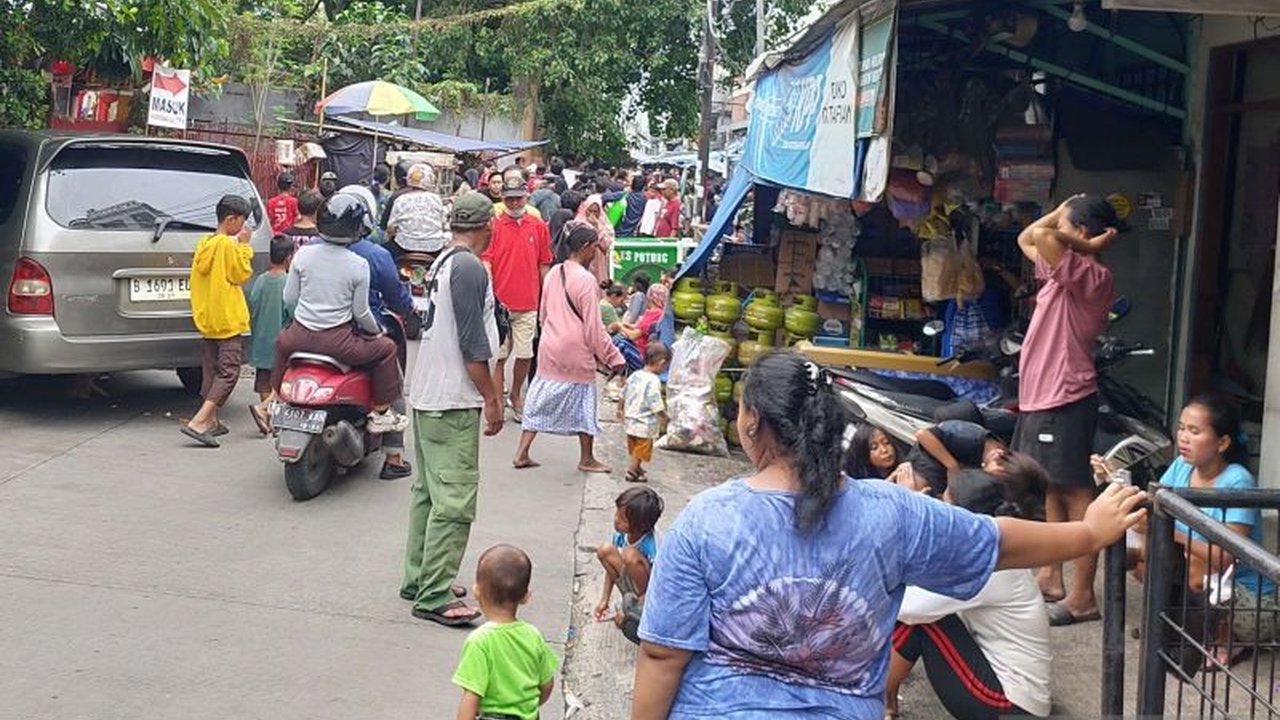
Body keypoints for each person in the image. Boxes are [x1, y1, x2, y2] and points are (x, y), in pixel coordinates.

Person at [630, 351, 1147, 720]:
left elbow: (662, 654)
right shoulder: (890, 512)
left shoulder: (706, 519)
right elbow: (998, 542)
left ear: (752, 422)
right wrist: (1087, 533)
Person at [1013, 193, 1119, 626]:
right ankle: (1051, 574)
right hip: (1043, 395)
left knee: (1076, 493)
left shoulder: (1091, 274)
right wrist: (1066, 209)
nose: (1058, 227)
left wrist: (1088, 245)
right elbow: (1028, 237)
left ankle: (1081, 596)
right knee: (1050, 488)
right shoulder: (1061, 272)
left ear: (1082, 235)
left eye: (1068, 223)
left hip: (1066, 397)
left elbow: (1039, 234)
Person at [402, 191, 504, 628]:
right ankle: (434, 594)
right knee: (454, 500)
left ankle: (420, 577)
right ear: (489, 227)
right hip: (452, 398)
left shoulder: (445, 261)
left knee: (428, 494)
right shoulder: (467, 266)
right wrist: (493, 397)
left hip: (429, 392)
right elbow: (472, 343)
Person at [887, 469, 1052, 720]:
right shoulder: (990, 547)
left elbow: (907, 608)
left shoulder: (986, 565)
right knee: (920, 616)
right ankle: (882, 703)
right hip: (1009, 691)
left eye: (945, 504)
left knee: (923, 623)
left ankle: (873, 702)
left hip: (1012, 706)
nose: (940, 510)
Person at [1120, 395, 1273, 664]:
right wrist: (1114, 477)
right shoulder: (1181, 466)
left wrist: (1167, 531)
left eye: (1194, 431)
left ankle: (1224, 640)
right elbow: (1155, 505)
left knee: (1193, 565)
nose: (1183, 438)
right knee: (1136, 555)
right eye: (1181, 428)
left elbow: (1224, 557)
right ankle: (1176, 626)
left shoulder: (1238, 480)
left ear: (1222, 443)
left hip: (1248, 598)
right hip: (1204, 582)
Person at [272, 192, 408, 435]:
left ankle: (274, 400)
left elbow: (289, 298)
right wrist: (377, 333)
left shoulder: (302, 254)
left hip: (297, 337)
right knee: (387, 349)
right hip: (338, 343)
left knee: (281, 343)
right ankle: (381, 412)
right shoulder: (358, 264)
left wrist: (302, 318)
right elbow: (361, 312)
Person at [511, 221, 625, 472]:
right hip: (575, 350)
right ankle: (587, 458)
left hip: (550, 346)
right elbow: (593, 329)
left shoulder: (554, 273)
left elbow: (543, 314)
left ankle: (522, 451)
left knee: (539, 398)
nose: (596, 251)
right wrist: (613, 356)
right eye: (594, 246)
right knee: (585, 403)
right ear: (585, 247)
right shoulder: (586, 281)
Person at [340, 184, 417, 480]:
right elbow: (396, 298)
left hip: (310, 330)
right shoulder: (375, 255)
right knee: (393, 382)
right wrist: (409, 308)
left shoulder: (311, 251)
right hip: (362, 332)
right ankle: (394, 456)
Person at [180, 195, 255, 448]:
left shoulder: (205, 243)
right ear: (231, 219)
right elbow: (240, 274)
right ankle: (199, 421)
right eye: (241, 222)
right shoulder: (227, 245)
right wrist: (244, 245)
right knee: (229, 371)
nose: (243, 228)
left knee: (211, 370)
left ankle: (211, 420)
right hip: (228, 318)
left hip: (208, 318)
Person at [451, 544, 558, 720]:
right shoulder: (533, 635)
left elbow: (471, 697)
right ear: (525, 596)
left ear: (477, 590)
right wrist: (528, 709)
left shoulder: (479, 641)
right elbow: (547, 685)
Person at [484, 175, 553, 423]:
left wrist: (546, 298)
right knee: (499, 356)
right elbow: (487, 260)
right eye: (509, 199)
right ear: (503, 199)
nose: (514, 203)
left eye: (518, 198)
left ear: (526, 198)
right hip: (500, 303)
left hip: (528, 302)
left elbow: (544, 263)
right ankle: (498, 400)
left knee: (525, 354)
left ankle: (515, 394)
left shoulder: (538, 227)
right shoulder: (494, 226)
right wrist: (489, 292)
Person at [595, 487, 664, 644]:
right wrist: (604, 599)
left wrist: (630, 612)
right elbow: (609, 570)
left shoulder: (653, 545)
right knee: (605, 550)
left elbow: (659, 587)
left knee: (629, 554)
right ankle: (628, 604)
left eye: (622, 519)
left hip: (651, 595)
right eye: (617, 514)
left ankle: (636, 611)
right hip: (633, 588)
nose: (616, 519)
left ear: (640, 526)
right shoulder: (620, 535)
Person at [247, 235, 295, 435]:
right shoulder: (288, 283)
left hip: (261, 338)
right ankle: (271, 416)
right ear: (289, 258)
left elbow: (253, 303)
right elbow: (293, 310)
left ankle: (266, 417)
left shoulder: (260, 280)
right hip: (281, 341)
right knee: (282, 381)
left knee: (264, 380)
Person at [622, 342, 670, 483]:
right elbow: (654, 401)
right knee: (642, 449)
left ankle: (637, 469)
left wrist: (620, 409)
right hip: (644, 422)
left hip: (630, 419)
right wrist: (663, 416)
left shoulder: (635, 375)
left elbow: (623, 393)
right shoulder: (654, 380)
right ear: (661, 363)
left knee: (635, 447)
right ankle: (631, 471)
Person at [386, 163, 448, 258]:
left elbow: (391, 227)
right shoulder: (436, 199)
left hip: (404, 247)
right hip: (434, 248)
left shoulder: (401, 199)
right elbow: (443, 222)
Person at [614, 283, 668, 370]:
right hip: (649, 352)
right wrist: (626, 325)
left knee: (619, 341)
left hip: (642, 355)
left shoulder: (654, 313)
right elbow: (641, 329)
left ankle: (622, 373)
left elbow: (633, 336)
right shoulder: (662, 313)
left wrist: (619, 326)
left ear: (651, 297)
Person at [577, 193, 615, 287]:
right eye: (590, 211)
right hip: (584, 261)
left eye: (596, 211)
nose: (593, 214)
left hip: (600, 261)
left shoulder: (604, 224)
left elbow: (609, 245)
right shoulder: (578, 222)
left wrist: (597, 227)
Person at [266, 170, 299, 235]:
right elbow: (297, 218)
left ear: (278, 185)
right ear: (291, 187)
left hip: (274, 235)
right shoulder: (294, 201)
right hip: (289, 235)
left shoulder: (270, 202)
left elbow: (268, 220)